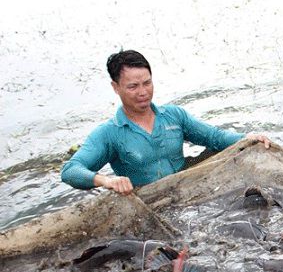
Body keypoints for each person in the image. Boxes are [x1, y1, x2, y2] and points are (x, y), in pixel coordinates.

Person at [61, 50, 271, 195]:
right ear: (116, 87)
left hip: (186, 188)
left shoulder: (173, 116)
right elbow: (71, 170)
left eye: (147, 83)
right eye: (133, 86)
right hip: (148, 197)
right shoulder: (109, 133)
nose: (143, 92)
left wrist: (246, 138)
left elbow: (214, 137)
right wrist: (106, 181)